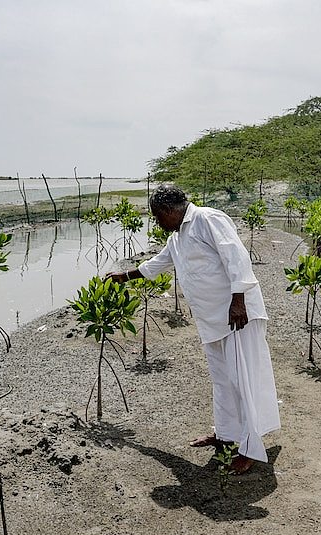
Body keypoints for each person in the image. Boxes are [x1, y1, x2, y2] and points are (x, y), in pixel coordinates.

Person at [107, 184, 280, 475]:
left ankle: (250, 449)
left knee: (242, 380)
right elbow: (160, 262)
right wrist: (126, 275)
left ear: (168, 211)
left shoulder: (207, 219)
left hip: (236, 316)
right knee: (223, 381)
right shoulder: (177, 236)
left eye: (157, 217)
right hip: (212, 320)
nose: (157, 223)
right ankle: (226, 437)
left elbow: (236, 258)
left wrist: (238, 301)